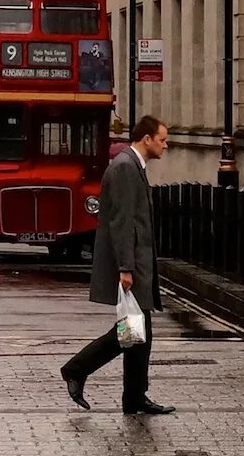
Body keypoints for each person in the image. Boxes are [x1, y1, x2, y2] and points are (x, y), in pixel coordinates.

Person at [61, 114, 172, 416]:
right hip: (131, 265)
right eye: (162, 140)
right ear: (146, 139)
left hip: (136, 263)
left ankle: (134, 396)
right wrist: (125, 267)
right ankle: (76, 368)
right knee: (130, 332)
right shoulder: (125, 167)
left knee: (137, 334)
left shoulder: (132, 165)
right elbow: (122, 221)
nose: (165, 145)